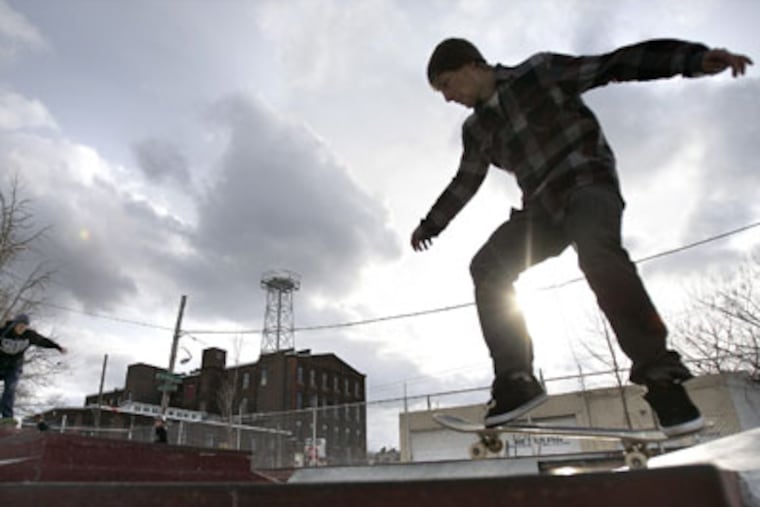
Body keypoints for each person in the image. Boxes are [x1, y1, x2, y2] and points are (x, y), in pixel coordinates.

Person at [412, 38, 752, 434]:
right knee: (487, 266)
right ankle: (516, 379)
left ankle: (662, 379)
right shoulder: (476, 129)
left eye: (448, 85)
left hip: (587, 184)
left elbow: (614, 64)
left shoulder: (539, 73)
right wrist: (431, 224)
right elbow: (465, 181)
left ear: (473, 66)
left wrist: (690, 59)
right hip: (542, 211)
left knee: (597, 256)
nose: (449, 99)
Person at [0, 313, 66, 420]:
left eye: (24, 327)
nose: (21, 329)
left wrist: (57, 347)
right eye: (20, 326)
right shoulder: (3, 332)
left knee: (10, 389)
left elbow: (43, 341)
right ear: (14, 325)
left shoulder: (30, 335)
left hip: (13, 367)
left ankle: (7, 417)